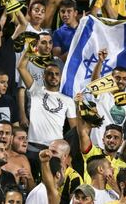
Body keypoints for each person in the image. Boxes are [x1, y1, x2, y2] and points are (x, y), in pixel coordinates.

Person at [18, 48, 76, 179]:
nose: (54, 76)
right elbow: (21, 68)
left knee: (52, 185)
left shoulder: (68, 100)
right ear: (44, 76)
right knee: (32, 183)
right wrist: (28, 51)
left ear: (60, 77)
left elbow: (74, 130)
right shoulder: (36, 90)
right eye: (50, 73)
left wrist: (68, 153)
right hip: (33, 147)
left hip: (55, 151)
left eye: (56, 74)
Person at [75, 93, 126, 184]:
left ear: (121, 142)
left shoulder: (124, 167)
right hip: (89, 196)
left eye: (116, 138)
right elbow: (82, 133)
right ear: (103, 140)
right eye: (108, 137)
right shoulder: (92, 153)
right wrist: (78, 107)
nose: (112, 140)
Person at [49, 139, 82, 204]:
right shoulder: (45, 168)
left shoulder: (74, 178)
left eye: (54, 152)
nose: (49, 154)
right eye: (49, 151)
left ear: (65, 156)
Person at [3, 127, 35, 192]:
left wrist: (29, 178)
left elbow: (31, 190)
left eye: (26, 138)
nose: (25, 141)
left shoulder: (22, 159)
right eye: (21, 138)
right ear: (11, 139)